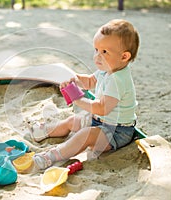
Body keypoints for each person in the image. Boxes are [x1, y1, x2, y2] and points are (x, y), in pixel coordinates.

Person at [29, 19, 140, 170]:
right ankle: (44, 131)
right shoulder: (106, 69)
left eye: (104, 52)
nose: (97, 56)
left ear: (124, 57)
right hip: (100, 122)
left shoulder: (118, 80)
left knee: (85, 135)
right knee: (72, 121)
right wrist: (75, 80)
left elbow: (102, 108)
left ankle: (52, 156)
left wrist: (78, 99)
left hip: (117, 132)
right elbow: (90, 81)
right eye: (96, 50)